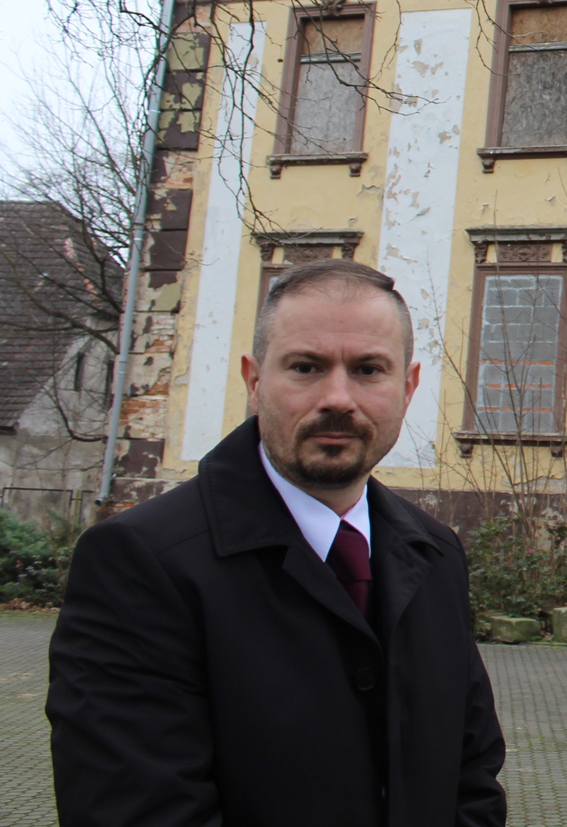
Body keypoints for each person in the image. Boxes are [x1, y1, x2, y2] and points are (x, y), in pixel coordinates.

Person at [47, 259, 507, 827]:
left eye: (368, 370)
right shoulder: (141, 562)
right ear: (254, 380)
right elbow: (134, 807)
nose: (338, 397)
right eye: (306, 367)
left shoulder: (436, 555)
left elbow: (471, 775)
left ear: (407, 387)